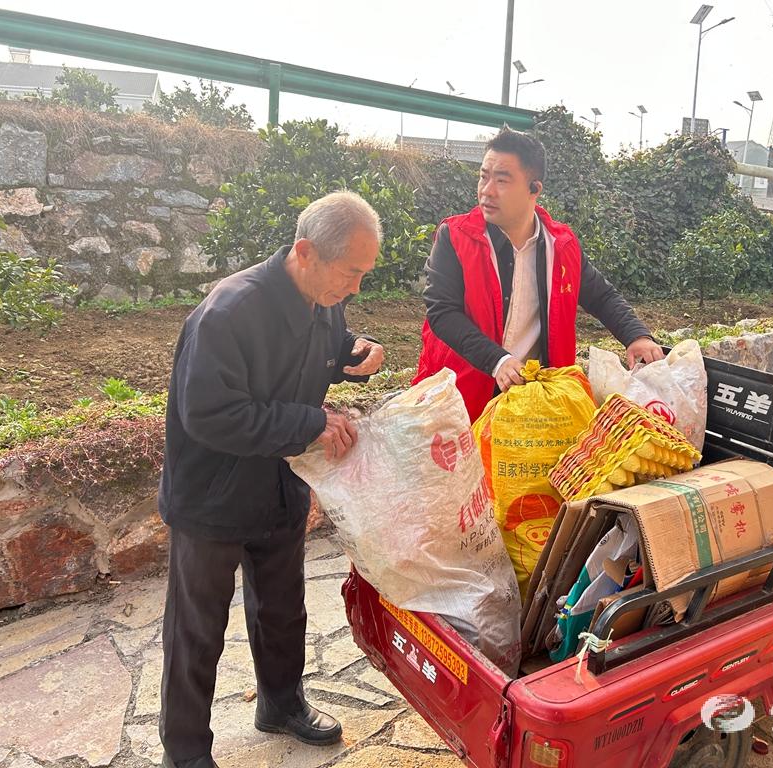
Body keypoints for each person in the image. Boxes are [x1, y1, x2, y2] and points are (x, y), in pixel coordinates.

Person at [157, 191, 386, 768]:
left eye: (363, 274)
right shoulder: (229, 311)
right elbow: (209, 414)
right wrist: (311, 423)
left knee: (283, 607)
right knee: (197, 629)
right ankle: (185, 752)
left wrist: (354, 352)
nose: (355, 288)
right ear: (305, 252)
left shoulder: (324, 299)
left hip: (280, 482)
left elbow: (321, 349)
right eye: (350, 273)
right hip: (213, 493)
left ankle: (281, 705)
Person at [413, 127, 663, 421]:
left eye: (502, 180)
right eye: (483, 176)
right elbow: (443, 313)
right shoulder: (456, 237)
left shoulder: (561, 246)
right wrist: (497, 360)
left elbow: (601, 296)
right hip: (462, 397)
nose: (487, 190)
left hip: (534, 398)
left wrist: (636, 335)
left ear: (534, 189)